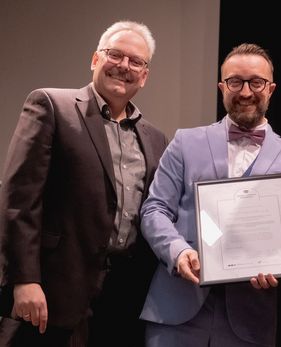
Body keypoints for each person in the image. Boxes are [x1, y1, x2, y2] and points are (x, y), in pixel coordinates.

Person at [0, 20, 168, 347]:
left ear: (144, 76)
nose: (124, 66)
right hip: (51, 293)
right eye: (115, 55)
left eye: (136, 62)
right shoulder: (51, 106)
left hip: (123, 297)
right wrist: (25, 280)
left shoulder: (156, 138)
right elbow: (19, 201)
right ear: (95, 59)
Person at [139, 43, 281, 347]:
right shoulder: (185, 142)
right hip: (177, 312)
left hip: (249, 322)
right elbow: (154, 210)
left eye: (256, 82)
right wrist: (177, 251)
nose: (245, 92)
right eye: (235, 82)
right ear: (222, 87)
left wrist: (279, 267)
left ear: (271, 88)